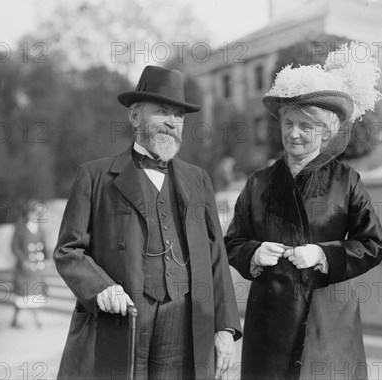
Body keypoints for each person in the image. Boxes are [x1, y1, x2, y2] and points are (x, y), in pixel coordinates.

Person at [54, 65, 241, 380]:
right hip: (123, 318)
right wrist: (100, 288)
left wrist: (224, 327)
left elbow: (216, 257)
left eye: (178, 116)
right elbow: (68, 249)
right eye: (162, 112)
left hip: (184, 318)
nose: (171, 122)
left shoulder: (199, 180)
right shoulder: (95, 176)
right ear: (135, 116)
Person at [225, 43, 382, 380]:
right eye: (288, 123)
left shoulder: (346, 182)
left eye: (306, 125)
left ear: (326, 131)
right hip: (270, 318)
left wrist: (323, 254)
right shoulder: (258, 183)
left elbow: (372, 244)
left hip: (326, 319)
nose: (294, 133)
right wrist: (254, 253)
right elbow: (232, 241)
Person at [10, 200, 47, 328]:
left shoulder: (40, 229)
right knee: (22, 295)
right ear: (28, 213)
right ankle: (16, 320)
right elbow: (15, 246)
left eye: (37, 214)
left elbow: (44, 247)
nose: (36, 216)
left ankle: (36, 320)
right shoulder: (20, 228)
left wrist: (46, 259)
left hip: (36, 268)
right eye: (33, 213)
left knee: (35, 294)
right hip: (24, 268)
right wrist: (23, 260)